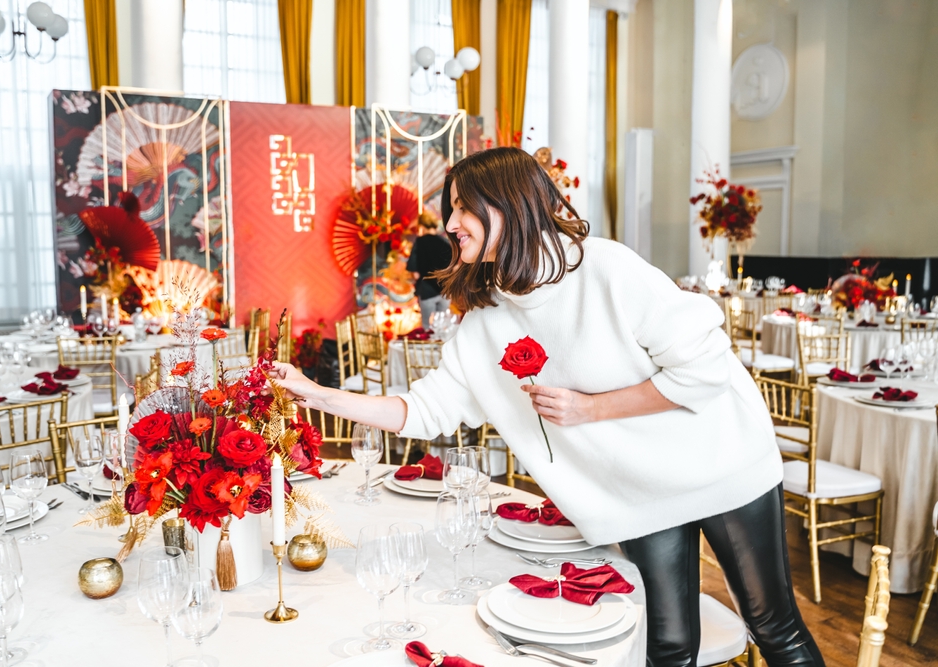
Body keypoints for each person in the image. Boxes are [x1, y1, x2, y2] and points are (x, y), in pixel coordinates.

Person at [269, 147, 824, 667]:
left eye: (464, 208)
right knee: (669, 646)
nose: (450, 224)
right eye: (451, 209)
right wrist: (319, 395)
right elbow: (423, 410)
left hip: (720, 458)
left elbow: (703, 369)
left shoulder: (606, 269)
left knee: (773, 626)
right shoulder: (486, 320)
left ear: (511, 206)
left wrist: (590, 409)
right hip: (640, 491)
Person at [406, 211, 453, 328]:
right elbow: (452, 268)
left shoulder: (419, 242)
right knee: (442, 327)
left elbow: (415, 274)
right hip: (445, 291)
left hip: (427, 291)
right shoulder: (446, 243)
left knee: (427, 328)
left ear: (421, 226)